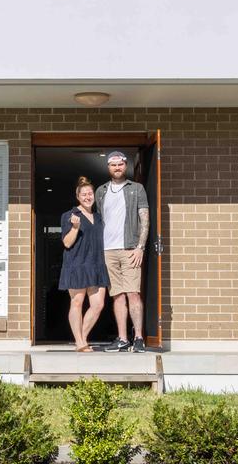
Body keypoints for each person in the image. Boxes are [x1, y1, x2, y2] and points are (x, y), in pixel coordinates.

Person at [75, 151, 149, 353]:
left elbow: (145, 219)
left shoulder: (137, 189)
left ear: (126, 166)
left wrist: (140, 247)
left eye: (120, 164)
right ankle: (123, 338)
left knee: (133, 293)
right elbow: (92, 215)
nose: (117, 168)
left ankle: (139, 338)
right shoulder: (101, 191)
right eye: (113, 165)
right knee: (116, 296)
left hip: (130, 249)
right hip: (107, 251)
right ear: (108, 167)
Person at [59, 176, 110, 352]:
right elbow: (66, 243)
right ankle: (80, 342)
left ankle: (82, 338)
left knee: (98, 304)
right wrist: (75, 228)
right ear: (77, 196)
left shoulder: (99, 217)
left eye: (90, 193)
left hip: (97, 265)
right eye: (84, 194)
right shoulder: (70, 215)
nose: (88, 197)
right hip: (77, 265)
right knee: (77, 303)